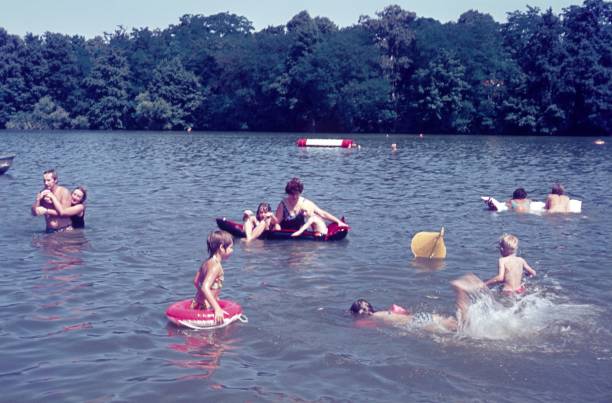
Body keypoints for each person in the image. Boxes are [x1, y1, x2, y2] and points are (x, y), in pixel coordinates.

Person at [350, 274, 483, 332]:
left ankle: (459, 290)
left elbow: (360, 326)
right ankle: (462, 293)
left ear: (361, 313)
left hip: (418, 323)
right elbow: (404, 312)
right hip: (420, 317)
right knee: (462, 326)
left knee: (462, 329)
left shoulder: (373, 318)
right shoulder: (386, 312)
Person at [273, 177, 348, 233]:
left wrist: (338, 222)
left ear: (300, 192)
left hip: (300, 232)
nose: (295, 197)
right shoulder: (283, 204)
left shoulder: (305, 203)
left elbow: (322, 213)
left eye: (297, 194)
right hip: (286, 232)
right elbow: (277, 222)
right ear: (288, 193)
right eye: (292, 194)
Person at [190, 230, 234, 324]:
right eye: (230, 247)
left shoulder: (206, 262)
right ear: (222, 247)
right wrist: (217, 308)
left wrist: (211, 297)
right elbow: (205, 287)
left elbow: (196, 281)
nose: (232, 250)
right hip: (205, 308)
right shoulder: (216, 266)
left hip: (197, 303)